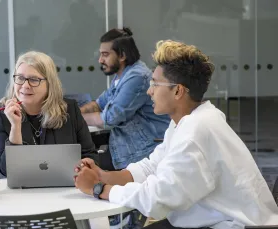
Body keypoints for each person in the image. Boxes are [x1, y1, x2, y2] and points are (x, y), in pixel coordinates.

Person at [74, 40, 278, 228]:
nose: (149, 91)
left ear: (178, 91)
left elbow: (157, 200)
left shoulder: (195, 132)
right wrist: (104, 175)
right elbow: (152, 167)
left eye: (155, 84)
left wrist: (99, 188)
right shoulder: (189, 120)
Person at [0, 51, 98, 177]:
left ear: (49, 84)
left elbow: (90, 155)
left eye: (34, 79)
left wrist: (83, 168)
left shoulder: (69, 109)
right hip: (21, 192)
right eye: (20, 78)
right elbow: (5, 171)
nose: (25, 85)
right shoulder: (0, 115)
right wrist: (15, 127)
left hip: (65, 188)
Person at [80, 28, 170, 170]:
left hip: (142, 154)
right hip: (125, 147)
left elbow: (110, 118)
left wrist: (76, 119)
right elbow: (99, 104)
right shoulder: (121, 75)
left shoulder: (137, 77)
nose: (100, 60)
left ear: (122, 55)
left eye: (105, 55)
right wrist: (76, 112)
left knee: (83, 165)